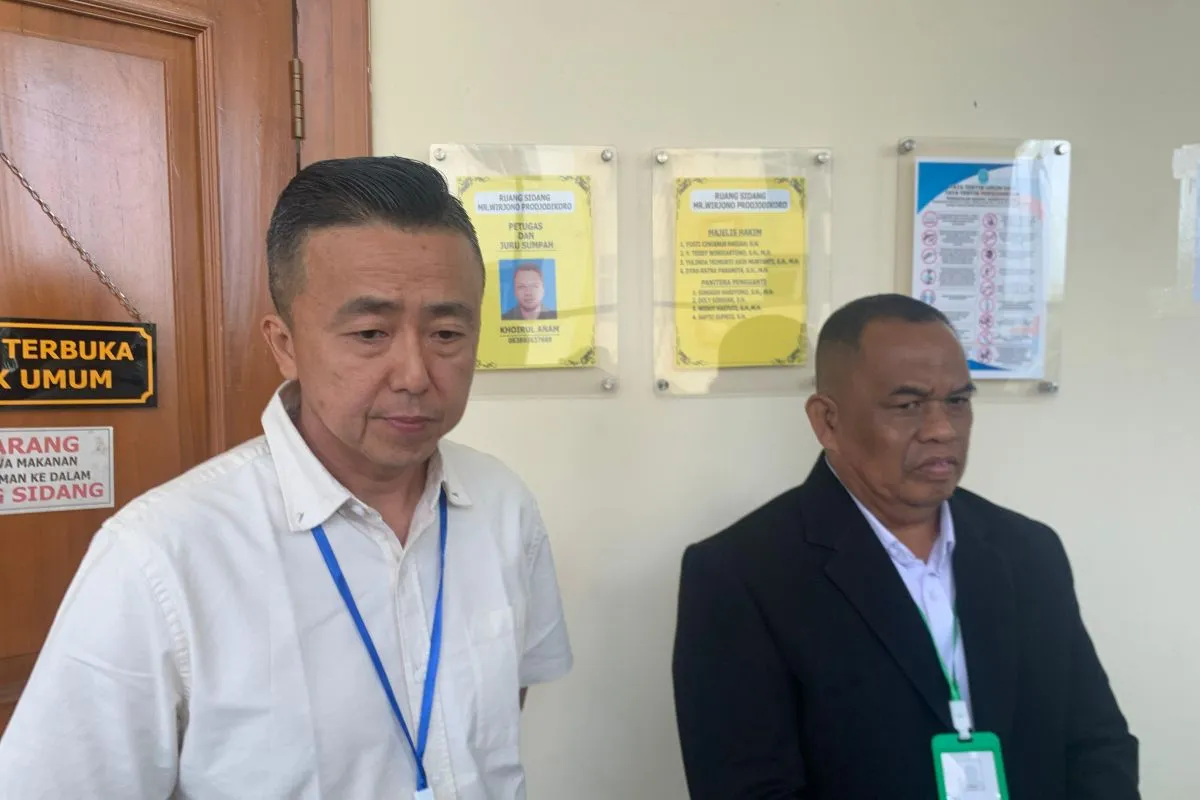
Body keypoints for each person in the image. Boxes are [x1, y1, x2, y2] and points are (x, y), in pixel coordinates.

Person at [0, 156, 573, 799]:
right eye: (370, 332)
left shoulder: (503, 507)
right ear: (285, 344)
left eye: (446, 332)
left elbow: (504, 708)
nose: (415, 374)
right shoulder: (159, 556)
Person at [671, 293, 1138, 799]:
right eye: (908, 405)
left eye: (957, 401)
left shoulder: (1029, 551)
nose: (942, 429)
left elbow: (1097, 743)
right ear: (828, 421)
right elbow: (747, 788)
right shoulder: (743, 575)